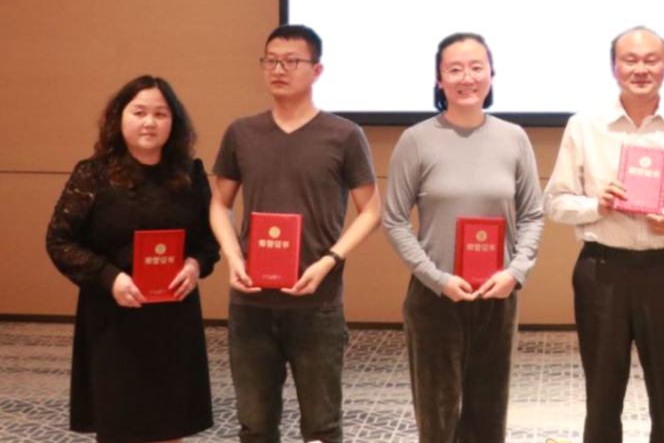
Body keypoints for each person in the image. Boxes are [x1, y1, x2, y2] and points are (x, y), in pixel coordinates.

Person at [545, 26, 664, 443]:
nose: (641, 69)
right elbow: (554, 202)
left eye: (651, 60)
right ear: (614, 67)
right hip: (602, 272)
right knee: (602, 397)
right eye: (630, 60)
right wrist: (597, 206)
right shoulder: (585, 126)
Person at [209, 24, 382, 443]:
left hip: (317, 304)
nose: (278, 69)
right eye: (270, 61)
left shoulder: (344, 135)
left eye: (291, 61)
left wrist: (330, 261)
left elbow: (372, 211)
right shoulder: (242, 132)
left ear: (317, 70)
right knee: (255, 425)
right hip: (250, 303)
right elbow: (219, 204)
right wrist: (233, 257)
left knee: (322, 426)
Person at [383, 32, 545, 443]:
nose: (466, 78)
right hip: (434, 297)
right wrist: (436, 278)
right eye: (454, 69)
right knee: (437, 419)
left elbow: (533, 214)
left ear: (492, 74)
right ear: (439, 80)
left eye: (476, 67)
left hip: (497, 296)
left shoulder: (514, 137)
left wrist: (515, 272)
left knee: (488, 416)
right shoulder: (416, 140)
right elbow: (394, 219)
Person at [46, 75, 220, 443]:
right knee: (120, 422)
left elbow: (209, 240)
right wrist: (110, 278)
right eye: (139, 112)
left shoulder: (189, 174)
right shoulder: (93, 174)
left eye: (160, 114)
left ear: (174, 122)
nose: (149, 122)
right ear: (119, 118)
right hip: (113, 317)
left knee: (170, 422)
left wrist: (194, 265)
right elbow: (60, 240)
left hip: (174, 317)